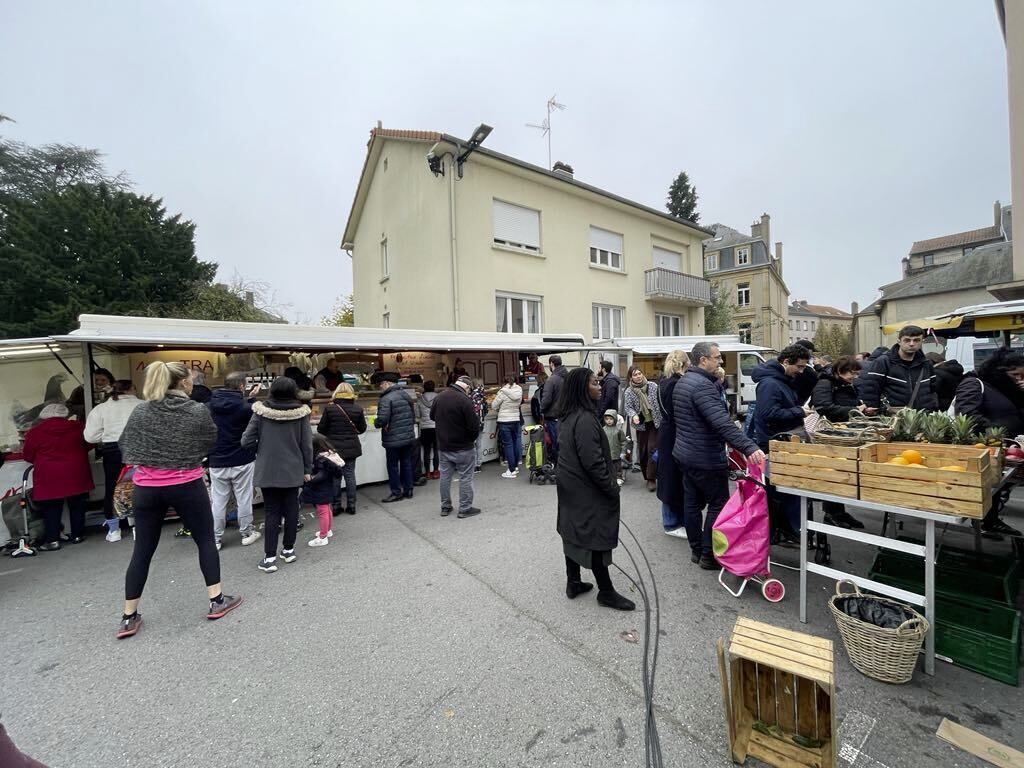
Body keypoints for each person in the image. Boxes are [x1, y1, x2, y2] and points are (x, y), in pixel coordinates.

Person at [117, 361, 239, 639]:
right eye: (191, 379)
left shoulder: (141, 411)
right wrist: (184, 453)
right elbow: (210, 440)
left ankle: (128, 616)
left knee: (142, 550)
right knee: (205, 540)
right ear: (184, 382)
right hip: (186, 483)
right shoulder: (196, 410)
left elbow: (125, 444)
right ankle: (217, 600)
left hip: (147, 488)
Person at [673, 342, 765, 569]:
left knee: (692, 504)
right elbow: (722, 423)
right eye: (717, 357)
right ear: (703, 360)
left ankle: (696, 550)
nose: (721, 361)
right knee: (718, 504)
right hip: (704, 457)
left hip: (686, 454)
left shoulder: (684, 381)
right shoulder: (702, 386)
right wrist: (749, 447)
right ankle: (708, 555)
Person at [555, 367, 634, 611]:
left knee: (572, 531)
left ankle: (573, 582)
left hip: (569, 487)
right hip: (585, 489)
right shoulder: (585, 420)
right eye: (593, 383)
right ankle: (606, 592)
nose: (599, 386)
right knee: (596, 536)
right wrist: (611, 488)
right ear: (581, 389)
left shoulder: (568, 415)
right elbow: (594, 462)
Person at [241, 376, 313, 573]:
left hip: (268, 468)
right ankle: (288, 550)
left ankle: (269, 557)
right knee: (292, 509)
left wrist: (262, 449)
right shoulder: (301, 413)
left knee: (271, 512)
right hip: (293, 468)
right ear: (294, 391)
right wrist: (307, 469)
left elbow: (246, 441)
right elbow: (307, 446)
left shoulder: (261, 412)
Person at [954, 347, 1024, 536]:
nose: (1019, 379)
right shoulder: (974, 383)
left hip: (1006, 448)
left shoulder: (1007, 389)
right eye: (1015, 375)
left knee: (999, 486)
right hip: (983, 448)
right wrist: (997, 431)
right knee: (991, 486)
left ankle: (990, 519)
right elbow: (967, 414)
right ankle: (986, 520)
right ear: (999, 371)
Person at [751, 345, 814, 539]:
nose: (801, 371)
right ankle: (782, 530)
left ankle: (786, 529)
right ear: (786, 362)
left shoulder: (781, 380)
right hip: (774, 442)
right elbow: (769, 413)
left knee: (784, 490)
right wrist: (799, 411)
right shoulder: (770, 383)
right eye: (799, 367)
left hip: (782, 440)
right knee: (779, 491)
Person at [22, 403, 94, 550]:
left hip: (49, 474)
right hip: (76, 471)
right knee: (77, 504)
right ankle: (78, 535)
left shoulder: (35, 432)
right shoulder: (78, 427)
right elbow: (89, 444)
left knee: (51, 507)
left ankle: (53, 540)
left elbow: (28, 455)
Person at [810, 355, 870, 529]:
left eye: (856, 374)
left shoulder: (845, 384)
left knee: (842, 473)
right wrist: (853, 409)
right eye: (852, 373)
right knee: (833, 474)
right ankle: (831, 513)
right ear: (839, 371)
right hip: (830, 436)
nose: (854, 377)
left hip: (844, 435)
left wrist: (862, 410)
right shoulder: (825, 383)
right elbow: (823, 407)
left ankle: (839, 512)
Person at [206, 372, 262, 550]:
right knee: (244, 498)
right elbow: (251, 419)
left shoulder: (208, 406)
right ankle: (246, 533)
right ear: (241, 386)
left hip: (217, 459)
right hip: (242, 458)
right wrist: (252, 399)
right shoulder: (246, 407)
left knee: (218, 501)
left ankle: (215, 538)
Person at [83, 379, 141, 542]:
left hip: (112, 450)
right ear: (131, 389)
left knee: (112, 487)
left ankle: (114, 530)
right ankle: (139, 527)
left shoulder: (101, 408)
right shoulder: (142, 405)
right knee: (141, 485)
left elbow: (90, 437)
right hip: (139, 447)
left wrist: (108, 435)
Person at [431, 375, 482, 518]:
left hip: (444, 445)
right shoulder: (464, 400)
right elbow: (474, 425)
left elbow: (432, 416)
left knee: (445, 477)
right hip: (463, 446)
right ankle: (465, 508)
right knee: (466, 477)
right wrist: (471, 439)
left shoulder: (439, 397)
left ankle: (445, 507)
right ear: (467, 387)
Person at [859, 326, 938, 412]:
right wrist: (871, 409)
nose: (911, 344)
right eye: (907, 340)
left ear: (922, 341)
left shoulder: (926, 364)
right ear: (899, 341)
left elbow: (933, 390)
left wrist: (933, 409)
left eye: (916, 340)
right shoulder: (884, 362)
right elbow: (871, 389)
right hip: (892, 415)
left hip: (922, 415)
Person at [317, 382, 367, 515]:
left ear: (336, 392)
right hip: (351, 447)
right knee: (350, 475)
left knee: (335, 477)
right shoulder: (357, 408)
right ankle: (351, 505)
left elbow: (321, 429)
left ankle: (336, 506)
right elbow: (362, 428)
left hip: (334, 449)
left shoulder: (329, 409)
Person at [656, 350, 689, 538]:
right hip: (675, 433)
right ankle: (672, 523)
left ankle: (673, 521)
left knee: (669, 478)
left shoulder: (663, 382)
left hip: (666, 432)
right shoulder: (676, 383)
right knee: (673, 479)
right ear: (683, 363)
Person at [373, 372, 417, 502]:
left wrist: (376, 422)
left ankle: (396, 492)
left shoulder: (386, 398)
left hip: (393, 438)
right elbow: (412, 415)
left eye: (381, 384)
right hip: (408, 436)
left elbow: (382, 420)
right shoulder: (405, 394)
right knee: (406, 463)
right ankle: (408, 490)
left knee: (392, 466)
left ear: (387, 383)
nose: (380, 386)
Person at [301, 434, 345, 547]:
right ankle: (327, 531)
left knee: (322, 511)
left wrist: (310, 479)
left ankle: (323, 537)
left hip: (321, 489)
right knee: (326, 509)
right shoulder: (328, 456)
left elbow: (321, 475)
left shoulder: (321, 459)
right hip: (327, 487)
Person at [623, 366, 662, 492]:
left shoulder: (653, 386)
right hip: (641, 424)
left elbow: (660, 401)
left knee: (652, 449)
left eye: (640, 373)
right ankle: (647, 475)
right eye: (635, 374)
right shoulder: (629, 391)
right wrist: (633, 415)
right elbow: (628, 407)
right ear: (631, 377)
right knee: (643, 451)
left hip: (655, 423)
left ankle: (651, 478)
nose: (638, 376)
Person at [493, 375, 524, 478]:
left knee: (508, 445)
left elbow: (494, 405)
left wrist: (500, 408)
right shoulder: (519, 389)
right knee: (515, 443)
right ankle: (515, 466)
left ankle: (511, 471)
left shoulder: (502, 392)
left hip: (504, 421)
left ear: (504, 382)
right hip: (516, 419)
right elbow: (519, 402)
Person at [416, 380, 440, 480]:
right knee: (436, 450)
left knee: (426, 450)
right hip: (436, 427)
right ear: (434, 387)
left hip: (425, 428)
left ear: (424, 388)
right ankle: (436, 472)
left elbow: (418, 415)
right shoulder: (438, 398)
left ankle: (427, 473)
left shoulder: (420, 399)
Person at [602, 409, 627, 485]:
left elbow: (623, 441)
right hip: (607, 453)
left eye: (611, 419)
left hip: (617, 453)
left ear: (615, 419)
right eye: (607, 419)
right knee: (607, 466)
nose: (609, 421)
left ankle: (618, 477)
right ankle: (609, 478)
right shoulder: (603, 430)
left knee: (617, 466)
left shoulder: (618, 430)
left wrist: (623, 452)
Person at [470, 378, 489, 472]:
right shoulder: (482, 395)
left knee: (472, 445)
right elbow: (486, 409)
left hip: (473, 423)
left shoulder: (471, 395)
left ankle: (474, 465)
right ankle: (479, 464)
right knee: (479, 444)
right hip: (481, 422)